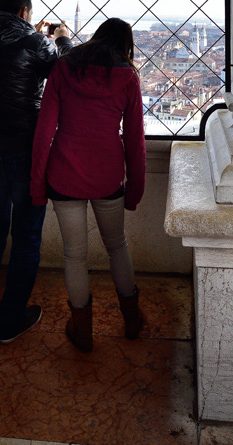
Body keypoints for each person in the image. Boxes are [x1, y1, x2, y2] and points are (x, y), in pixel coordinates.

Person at [0, 0, 71, 343]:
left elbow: (5, 50)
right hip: (25, 150)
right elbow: (65, 75)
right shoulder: (34, 43)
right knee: (26, 237)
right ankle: (10, 320)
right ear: (25, 12)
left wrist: (30, 33)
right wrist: (60, 39)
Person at [30, 18, 146, 353]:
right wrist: (135, 190)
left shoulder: (64, 68)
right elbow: (135, 141)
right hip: (108, 175)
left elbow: (44, 132)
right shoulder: (128, 77)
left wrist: (37, 186)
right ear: (125, 44)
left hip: (64, 174)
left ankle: (82, 331)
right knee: (117, 247)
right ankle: (132, 319)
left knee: (74, 255)